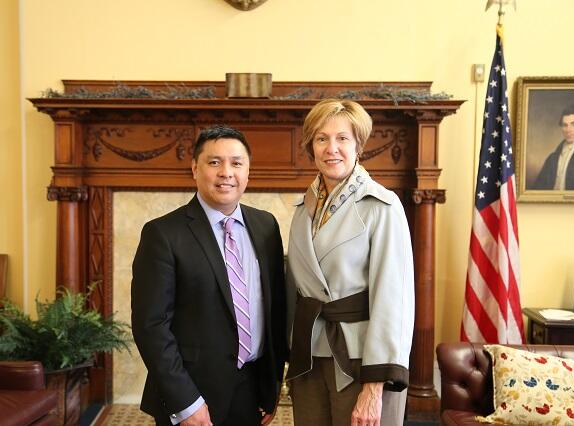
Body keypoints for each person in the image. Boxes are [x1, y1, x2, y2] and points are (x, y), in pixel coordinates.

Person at [131, 125, 287, 426]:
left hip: (251, 390)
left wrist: (271, 386)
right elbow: (151, 326)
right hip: (192, 394)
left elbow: (273, 310)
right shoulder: (162, 234)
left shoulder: (266, 226)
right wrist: (186, 403)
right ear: (194, 168)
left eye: (236, 163)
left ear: (248, 171)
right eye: (214, 162)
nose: (226, 172)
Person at [285, 99, 415, 426]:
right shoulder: (303, 211)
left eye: (342, 138)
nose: (332, 148)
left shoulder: (382, 207)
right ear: (310, 147)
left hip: (362, 361)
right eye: (321, 138)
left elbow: (394, 302)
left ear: (359, 145)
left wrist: (374, 386)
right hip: (310, 358)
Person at [532, 105, 574, 190]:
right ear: (561, 128)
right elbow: (538, 189)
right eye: (565, 125)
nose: (568, 130)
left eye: (573, 124)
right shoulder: (552, 158)